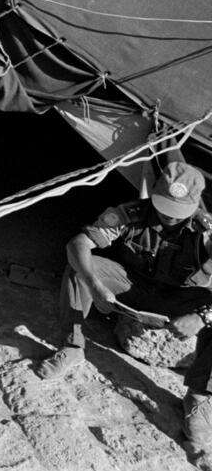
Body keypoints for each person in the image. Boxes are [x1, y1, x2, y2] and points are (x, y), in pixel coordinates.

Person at [37, 161, 212, 446]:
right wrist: (95, 286)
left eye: (178, 210)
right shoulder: (130, 214)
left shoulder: (207, 232)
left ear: (195, 204)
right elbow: (77, 244)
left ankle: (199, 397)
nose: (169, 216)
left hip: (180, 299)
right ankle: (72, 346)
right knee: (82, 267)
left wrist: (202, 317)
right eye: (164, 206)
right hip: (131, 285)